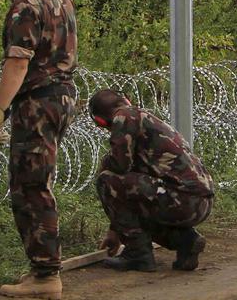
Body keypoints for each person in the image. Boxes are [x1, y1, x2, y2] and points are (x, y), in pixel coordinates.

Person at [0, 0, 79, 300]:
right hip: (63, 96)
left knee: (30, 187)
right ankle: (43, 268)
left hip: (38, 102)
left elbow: (18, 64)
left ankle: (46, 275)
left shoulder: (26, 5)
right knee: (38, 182)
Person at [88, 89, 215, 272]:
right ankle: (186, 241)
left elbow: (119, 167)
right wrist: (115, 231)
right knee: (137, 201)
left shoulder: (124, 116)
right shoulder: (145, 120)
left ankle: (137, 255)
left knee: (106, 180)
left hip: (180, 199)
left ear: (100, 121)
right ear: (127, 99)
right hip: (198, 202)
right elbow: (127, 196)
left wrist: (105, 163)